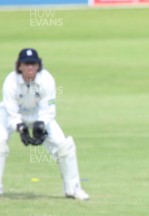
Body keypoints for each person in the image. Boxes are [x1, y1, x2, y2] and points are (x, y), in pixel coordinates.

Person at [0, 48, 89, 200]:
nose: (29, 67)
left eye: (33, 64)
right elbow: (11, 112)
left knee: (64, 146)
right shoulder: (10, 81)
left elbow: (49, 109)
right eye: (26, 64)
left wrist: (40, 125)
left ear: (38, 65)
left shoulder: (46, 79)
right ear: (19, 66)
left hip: (39, 115)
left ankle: (73, 189)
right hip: (10, 115)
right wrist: (20, 128)